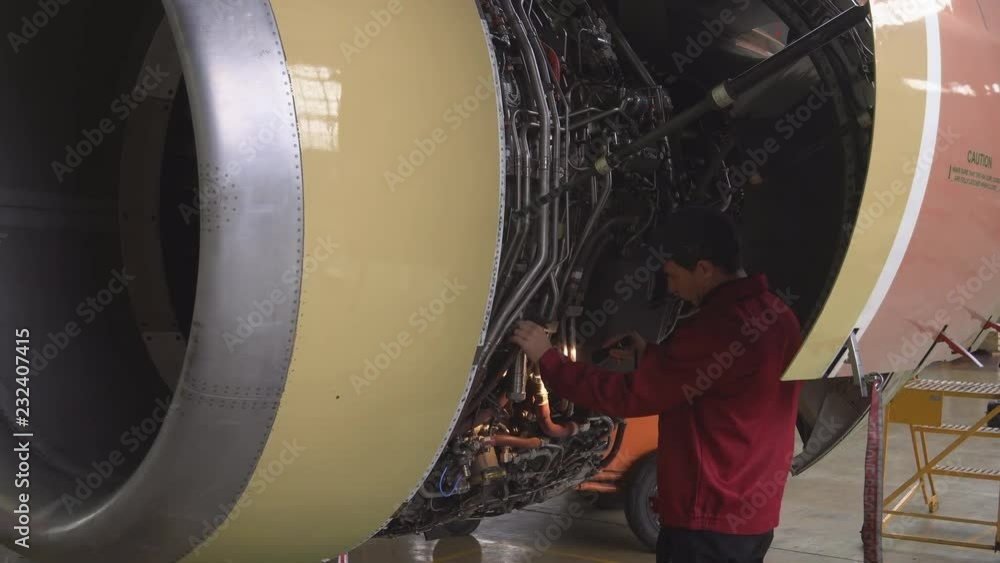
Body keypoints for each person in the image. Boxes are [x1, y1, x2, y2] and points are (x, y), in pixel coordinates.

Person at [510, 207, 803, 563]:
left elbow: (626, 397)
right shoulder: (777, 314)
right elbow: (717, 381)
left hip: (707, 520)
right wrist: (652, 355)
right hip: (752, 515)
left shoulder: (718, 327)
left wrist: (548, 358)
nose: (671, 288)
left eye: (673, 275)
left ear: (704, 268)